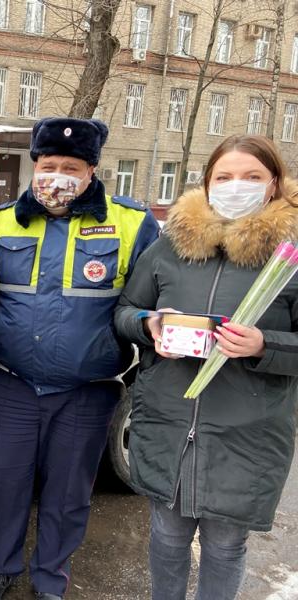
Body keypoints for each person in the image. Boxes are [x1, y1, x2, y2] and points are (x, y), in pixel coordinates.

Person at [0, 117, 161, 600]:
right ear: (34, 166)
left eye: (71, 167)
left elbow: (148, 299)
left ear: (92, 170)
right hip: (11, 384)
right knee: (3, 484)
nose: (57, 176)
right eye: (48, 165)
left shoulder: (133, 222)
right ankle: (0, 568)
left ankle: (50, 576)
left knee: (68, 494)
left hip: (87, 390)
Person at [114, 134, 298, 600]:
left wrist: (263, 344)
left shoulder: (289, 257)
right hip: (170, 420)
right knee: (168, 536)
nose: (237, 186)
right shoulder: (171, 246)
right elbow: (125, 310)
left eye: (252, 177)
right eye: (225, 177)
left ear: (274, 184)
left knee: (224, 544)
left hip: (247, 433)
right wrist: (149, 324)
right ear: (207, 184)